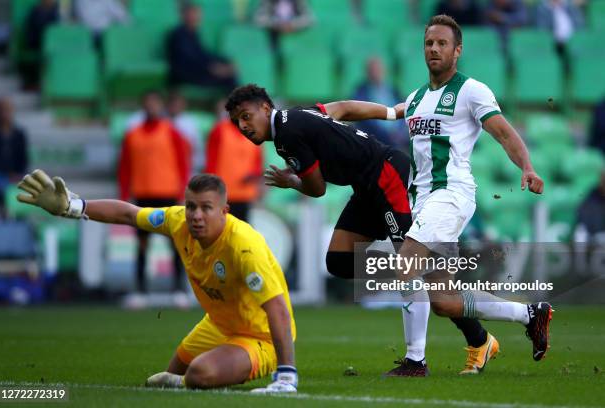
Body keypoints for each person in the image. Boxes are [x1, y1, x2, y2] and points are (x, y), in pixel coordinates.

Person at [224, 83, 496, 376]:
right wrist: (391, 112)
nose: (242, 125)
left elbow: (316, 188)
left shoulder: (287, 134)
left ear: (265, 108)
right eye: (237, 121)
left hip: (387, 176)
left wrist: (292, 181)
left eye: (246, 116)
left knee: (417, 272)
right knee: (340, 260)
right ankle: (432, 286)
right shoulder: (296, 116)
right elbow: (343, 107)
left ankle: (430, 356)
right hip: (367, 187)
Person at [330, 14, 552, 372]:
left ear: (457, 50)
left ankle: (415, 361)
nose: (434, 49)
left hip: (452, 195)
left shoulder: (471, 90)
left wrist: (526, 166)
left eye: (442, 43)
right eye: (429, 43)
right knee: (445, 300)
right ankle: (531, 314)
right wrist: (334, 111)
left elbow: (504, 133)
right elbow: (387, 112)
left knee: (405, 266)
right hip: (423, 202)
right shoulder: (417, 98)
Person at [15, 170, 297, 393]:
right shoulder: (177, 221)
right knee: (170, 376)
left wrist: (286, 375)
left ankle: (257, 369)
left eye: (206, 208)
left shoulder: (244, 247)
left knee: (199, 374)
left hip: (260, 336)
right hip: (218, 324)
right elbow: (128, 214)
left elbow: (278, 309)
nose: (196, 216)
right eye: (191, 206)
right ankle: (185, 378)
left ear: (224, 210)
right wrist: (73, 207)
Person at [118, 90, 190, 299]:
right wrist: (124, 193)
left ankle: (178, 288)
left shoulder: (172, 132)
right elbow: (125, 167)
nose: (151, 107)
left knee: (175, 243)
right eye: (148, 103)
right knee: (141, 244)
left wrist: (182, 191)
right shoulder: (132, 135)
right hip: (142, 194)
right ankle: (140, 289)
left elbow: (182, 163)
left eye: (155, 103)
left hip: (167, 193)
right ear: (143, 106)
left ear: (160, 106)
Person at [204, 103, 263, 222]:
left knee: (242, 234)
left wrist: (255, 177)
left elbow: (257, 162)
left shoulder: (254, 131)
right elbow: (211, 162)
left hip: (246, 194)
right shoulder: (219, 130)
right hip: (223, 194)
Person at [166, 3, 237, 92]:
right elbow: (189, 59)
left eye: (197, 15)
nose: (196, 18)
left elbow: (203, 53)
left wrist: (226, 61)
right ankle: (230, 103)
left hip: (199, 70)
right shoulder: (178, 35)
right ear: (184, 16)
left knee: (230, 73)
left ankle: (231, 102)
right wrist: (212, 67)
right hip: (184, 74)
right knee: (228, 79)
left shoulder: (194, 34)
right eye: (192, 15)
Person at [352, 57, 408, 149]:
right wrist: (387, 134)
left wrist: (399, 131)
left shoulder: (393, 90)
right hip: (375, 138)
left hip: (396, 137)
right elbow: (365, 117)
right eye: (373, 70)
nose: (376, 73)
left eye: (378, 69)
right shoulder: (361, 92)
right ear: (367, 72)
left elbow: (403, 109)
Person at [0, 98, 29, 211]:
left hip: (15, 175)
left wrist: (17, 174)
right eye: (2, 110)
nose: (5, 114)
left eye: (8, 110)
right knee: (2, 187)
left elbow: (23, 158)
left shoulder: (19, 134)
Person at [535, 0, 584, 74]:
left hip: (572, 40)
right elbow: (541, 28)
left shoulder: (570, 6)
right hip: (554, 41)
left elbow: (580, 24)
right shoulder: (542, 8)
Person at [23, 0, 59, 87]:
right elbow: (32, 36)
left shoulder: (58, 10)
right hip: (38, 44)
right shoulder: (36, 11)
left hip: (56, 47)